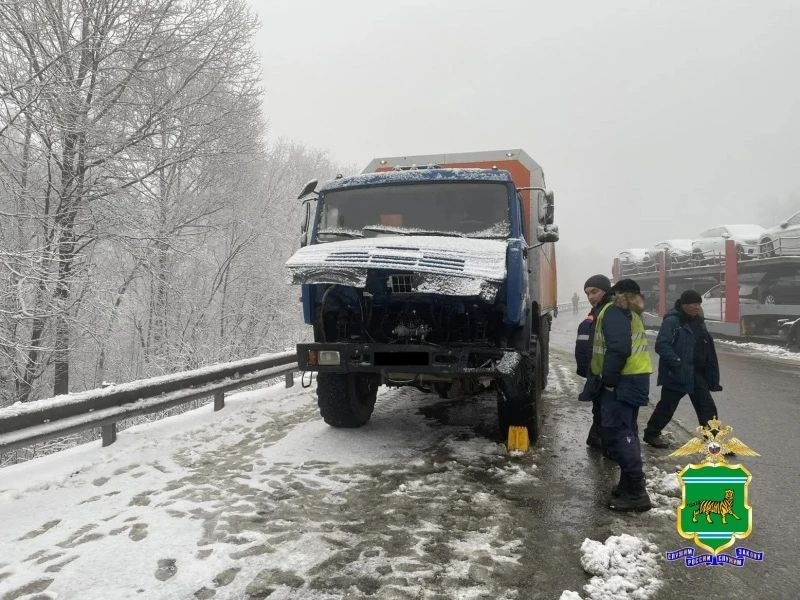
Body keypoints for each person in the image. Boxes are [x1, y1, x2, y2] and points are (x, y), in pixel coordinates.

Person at [587, 278, 653, 511]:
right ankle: (627, 484)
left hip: (622, 379)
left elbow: (619, 347)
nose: (590, 296)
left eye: (593, 292)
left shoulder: (615, 310)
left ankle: (636, 492)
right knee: (628, 429)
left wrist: (610, 380)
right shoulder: (632, 311)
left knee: (618, 431)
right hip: (635, 377)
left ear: (613, 293)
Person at [642, 289, 722, 449]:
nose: (697, 307)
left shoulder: (699, 320)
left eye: (698, 303)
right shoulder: (673, 321)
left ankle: (714, 443)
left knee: (707, 407)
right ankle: (651, 433)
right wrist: (677, 363)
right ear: (684, 304)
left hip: (697, 373)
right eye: (693, 304)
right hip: (678, 373)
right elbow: (661, 345)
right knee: (667, 406)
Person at [575, 274, 612, 451]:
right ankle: (597, 439)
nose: (590, 297)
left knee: (604, 409)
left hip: (606, 372)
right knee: (600, 408)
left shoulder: (609, 312)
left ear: (606, 290)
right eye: (587, 293)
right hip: (597, 372)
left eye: (594, 292)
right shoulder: (595, 313)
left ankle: (597, 438)